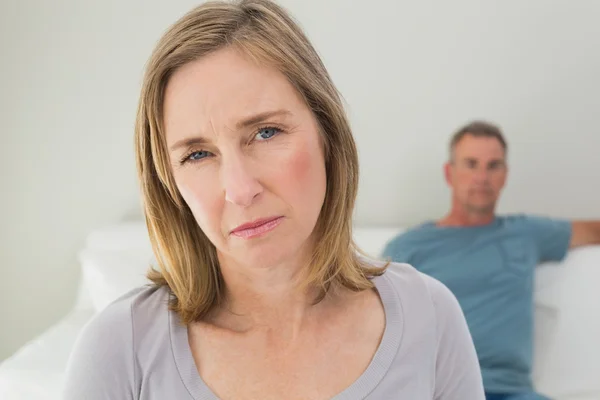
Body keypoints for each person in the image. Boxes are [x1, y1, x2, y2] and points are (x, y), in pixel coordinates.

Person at [62, 1, 486, 399]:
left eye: (265, 132)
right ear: (169, 183)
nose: (241, 189)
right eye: (198, 154)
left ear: (326, 133)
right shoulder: (118, 350)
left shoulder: (428, 316)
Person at [382, 120, 600, 400]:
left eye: (493, 165)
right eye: (471, 164)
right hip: (441, 389)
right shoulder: (409, 246)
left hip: (513, 392)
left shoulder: (526, 233)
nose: (482, 177)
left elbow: (594, 231)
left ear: (505, 175)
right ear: (450, 173)